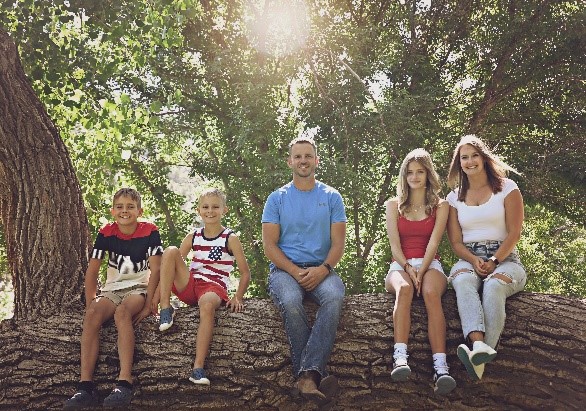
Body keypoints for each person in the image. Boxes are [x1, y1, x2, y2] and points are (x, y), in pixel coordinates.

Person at [262, 136, 346, 405]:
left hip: (323, 270)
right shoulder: (277, 198)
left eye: (308, 156)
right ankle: (312, 375)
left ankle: (306, 377)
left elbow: (338, 245)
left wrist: (323, 270)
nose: (303, 161)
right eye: (298, 156)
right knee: (290, 300)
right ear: (290, 162)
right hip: (285, 271)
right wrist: (295, 271)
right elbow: (270, 246)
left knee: (334, 297)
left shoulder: (332, 197)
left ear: (316, 161)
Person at [64, 188, 163, 409]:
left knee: (123, 313)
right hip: (112, 289)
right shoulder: (106, 233)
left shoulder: (150, 231)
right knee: (91, 315)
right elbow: (92, 271)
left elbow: (157, 270)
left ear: (140, 210)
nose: (125, 211)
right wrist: (92, 303)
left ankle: (124, 382)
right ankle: (85, 387)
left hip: (139, 288)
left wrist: (150, 304)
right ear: (112, 211)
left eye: (130, 207)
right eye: (120, 207)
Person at [446, 134, 527, 380]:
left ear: (484, 158)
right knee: (461, 281)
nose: (470, 162)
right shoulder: (453, 197)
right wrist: (474, 260)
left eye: (474, 156)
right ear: (459, 163)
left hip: (506, 258)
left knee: (493, 287)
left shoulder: (507, 188)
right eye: (464, 158)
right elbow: (456, 242)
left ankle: (481, 358)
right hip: (469, 257)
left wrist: (494, 261)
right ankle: (478, 345)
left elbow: (514, 232)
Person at [157, 188, 251, 386]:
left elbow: (245, 272)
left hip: (213, 288)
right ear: (199, 210)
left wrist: (238, 297)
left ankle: (198, 368)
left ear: (224, 210)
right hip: (191, 283)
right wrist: (154, 300)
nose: (210, 211)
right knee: (170, 251)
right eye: (206, 207)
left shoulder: (230, 238)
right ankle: (165, 308)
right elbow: (171, 266)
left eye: (215, 207)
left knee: (207, 305)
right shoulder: (194, 236)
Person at [384, 148, 456, 395]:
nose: (414, 177)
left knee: (430, 294)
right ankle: (400, 358)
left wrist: (421, 271)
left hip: (430, 263)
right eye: (410, 172)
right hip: (400, 264)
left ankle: (441, 366)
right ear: (404, 176)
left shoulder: (441, 205)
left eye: (420, 172)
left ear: (428, 175)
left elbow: (434, 243)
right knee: (403, 289)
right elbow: (394, 246)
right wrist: (408, 269)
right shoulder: (394, 205)